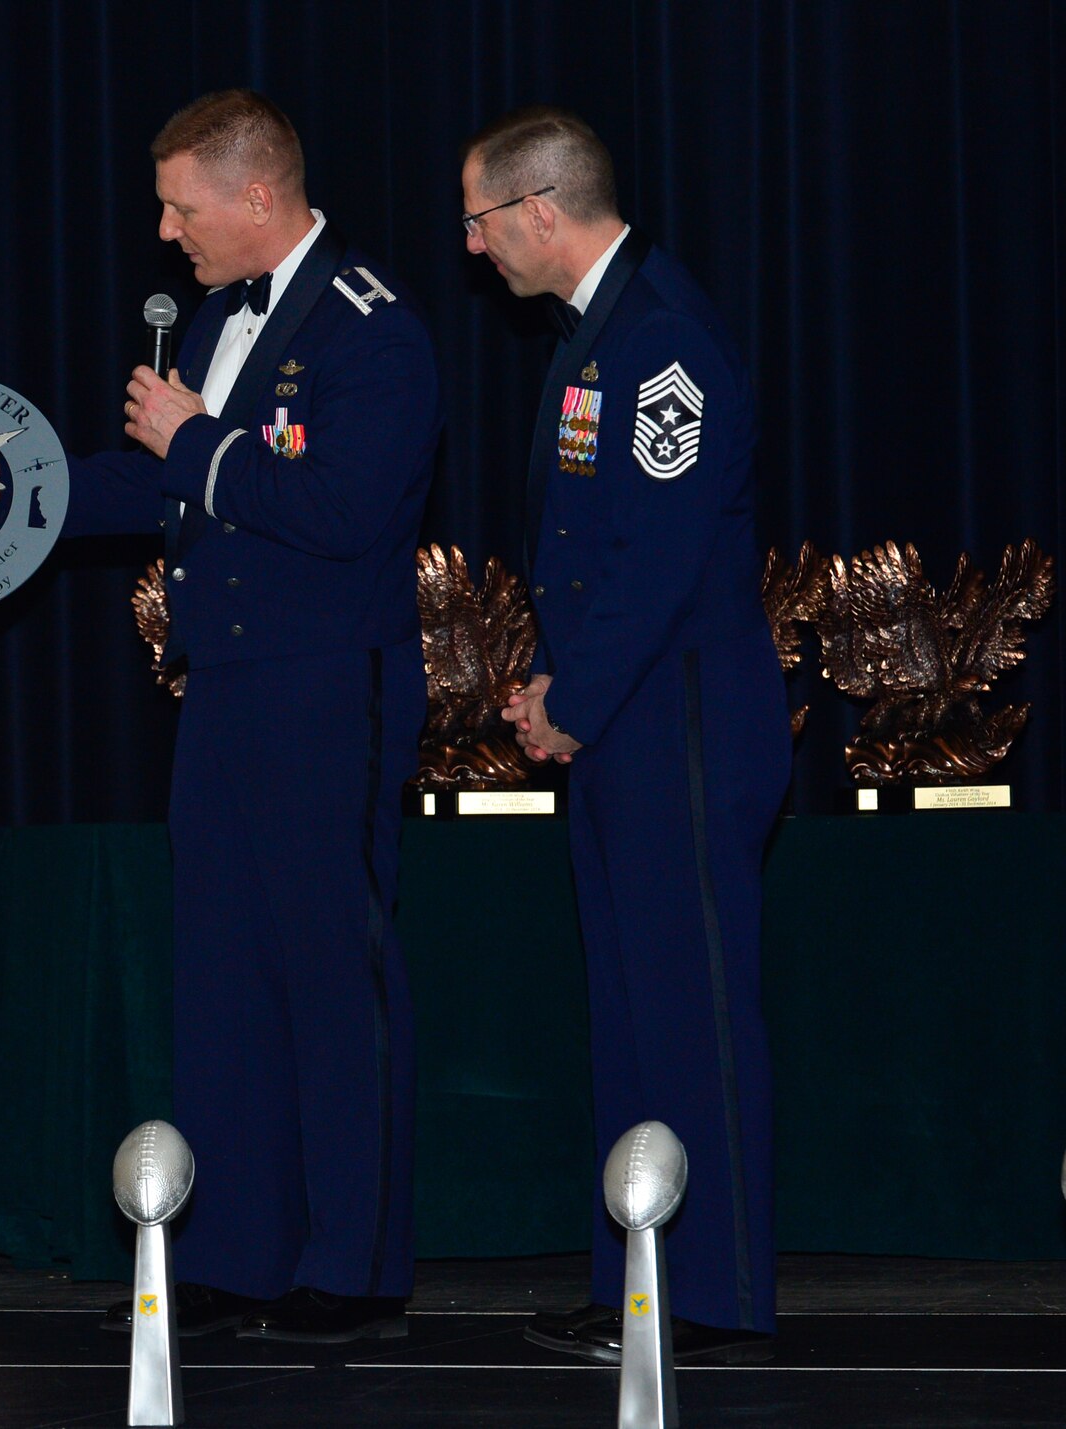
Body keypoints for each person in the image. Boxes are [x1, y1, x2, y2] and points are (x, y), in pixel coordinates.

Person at [0, 90, 441, 1343]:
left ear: (257, 197)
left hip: (323, 685)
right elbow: (152, 481)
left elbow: (343, 509)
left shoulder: (375, 331)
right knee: (224, 978)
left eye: (179, 205)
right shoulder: (207, 318)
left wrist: (197, 440)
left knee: (327, 971)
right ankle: (233, 1256)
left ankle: (354, 1272)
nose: (162, 229)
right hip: (223, 689)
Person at [460, 107, 789, 1364]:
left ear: (541, 210)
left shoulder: (661, 343)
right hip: (624, 719)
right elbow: (599, 563)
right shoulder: (603, 326)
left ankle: (713, 1294)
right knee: (630, 1015)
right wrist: (560, 690)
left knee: (690, 1013)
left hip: (683, 724)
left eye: (482, 217)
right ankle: (638, 1283)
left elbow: (652, 564)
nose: (472, 242)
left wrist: (573, 701)